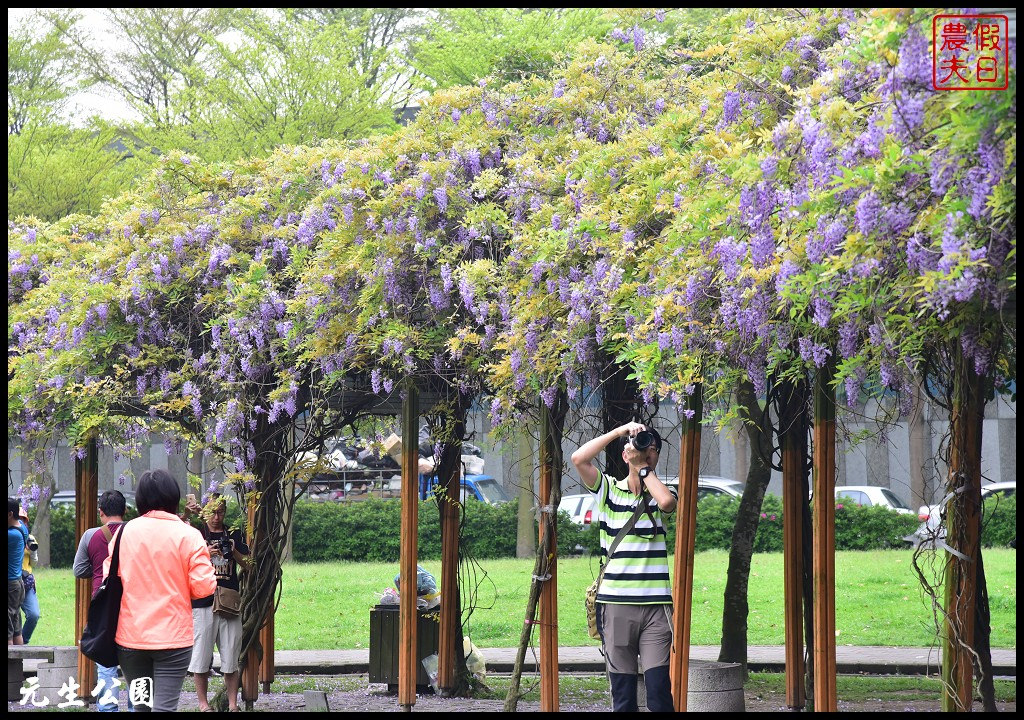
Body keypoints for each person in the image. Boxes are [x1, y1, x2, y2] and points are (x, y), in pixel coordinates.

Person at [571, 422, 677, 713]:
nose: (647, 452)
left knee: (658, 692)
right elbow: (579, 459)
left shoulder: (660, 493)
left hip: (656, 608)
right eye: (642, 446)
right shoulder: (608, 491)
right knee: (624, 696)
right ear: (626, 454)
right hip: (615, 606)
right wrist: (620, 433)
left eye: (652, 449)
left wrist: (644, 471)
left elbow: (667, 502)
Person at [105, 470, 216, 712]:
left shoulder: (123, 533)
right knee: (164, 709)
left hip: (131, 639)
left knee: (142, 707)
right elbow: (204, 587)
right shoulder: (189, 535)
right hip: (173, 640)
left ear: (141, 500)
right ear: (174, 498)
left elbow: (109, 578)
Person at [184, 495, 249, 712]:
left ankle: (232, 704)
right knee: (201, 657)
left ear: (225, 512)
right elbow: (182, 561)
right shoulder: (196, 533)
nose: (216, 517)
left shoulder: (233, 533)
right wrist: (205, 551)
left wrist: (233, 549)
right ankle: (203, 704)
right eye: (212, 512)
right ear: (205, 511)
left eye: (220, 512)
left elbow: (249, 565)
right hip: (202, 602)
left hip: (229, 601)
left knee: (231, 657)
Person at [73, 490, 132, 711]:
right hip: (131, 602)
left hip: (102, 604)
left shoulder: (91, 535)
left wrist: (99, 570)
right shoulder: (134, 532)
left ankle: (108, 708)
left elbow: (79, 570)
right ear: (125, 510)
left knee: (106, 660)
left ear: (101, 512)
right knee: (133, 660)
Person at [18, 507, 41, 644]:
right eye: (18, 519)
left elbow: (34, 563)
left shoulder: (30, 538)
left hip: (26, 581)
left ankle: (23, 641)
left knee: (33, 614)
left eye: (23, 520)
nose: (21, 523)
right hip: (12, 582)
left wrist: (31, 551)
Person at [8, 497, 28, 646]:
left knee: (8, 629)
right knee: (16, 627)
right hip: (17, 584)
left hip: (10, 585)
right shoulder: (22, 527)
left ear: (9, 514)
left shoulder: (11, 535)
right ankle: (19, 665)